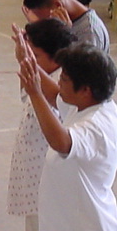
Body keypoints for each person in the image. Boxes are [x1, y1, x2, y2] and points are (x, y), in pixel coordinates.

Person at [17, 42, 117, 231]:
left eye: (64, 79)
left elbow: (61, 142)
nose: (58, 82)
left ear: (86, 90)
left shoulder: (97, 125)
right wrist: (29, 62)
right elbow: (55, 94)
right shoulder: (87, 104)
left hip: (86, 224)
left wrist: (35, 93)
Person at [9, 18, 79, 231]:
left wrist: (28, 62)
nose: (30, 60)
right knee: (34, 223)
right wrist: (25, 58)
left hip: (50, 173)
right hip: (32, 172)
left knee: (48, 222)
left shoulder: (65, 80)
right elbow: (26, 93)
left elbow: (59, 98)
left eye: (36, 56)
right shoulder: (40, 75)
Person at [22, 0, 110, 51]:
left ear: (57, 6)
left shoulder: (89, 32)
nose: (43, 24)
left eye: (44, 20)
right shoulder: (69, 23)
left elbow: (73, 70)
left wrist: (65, 36)